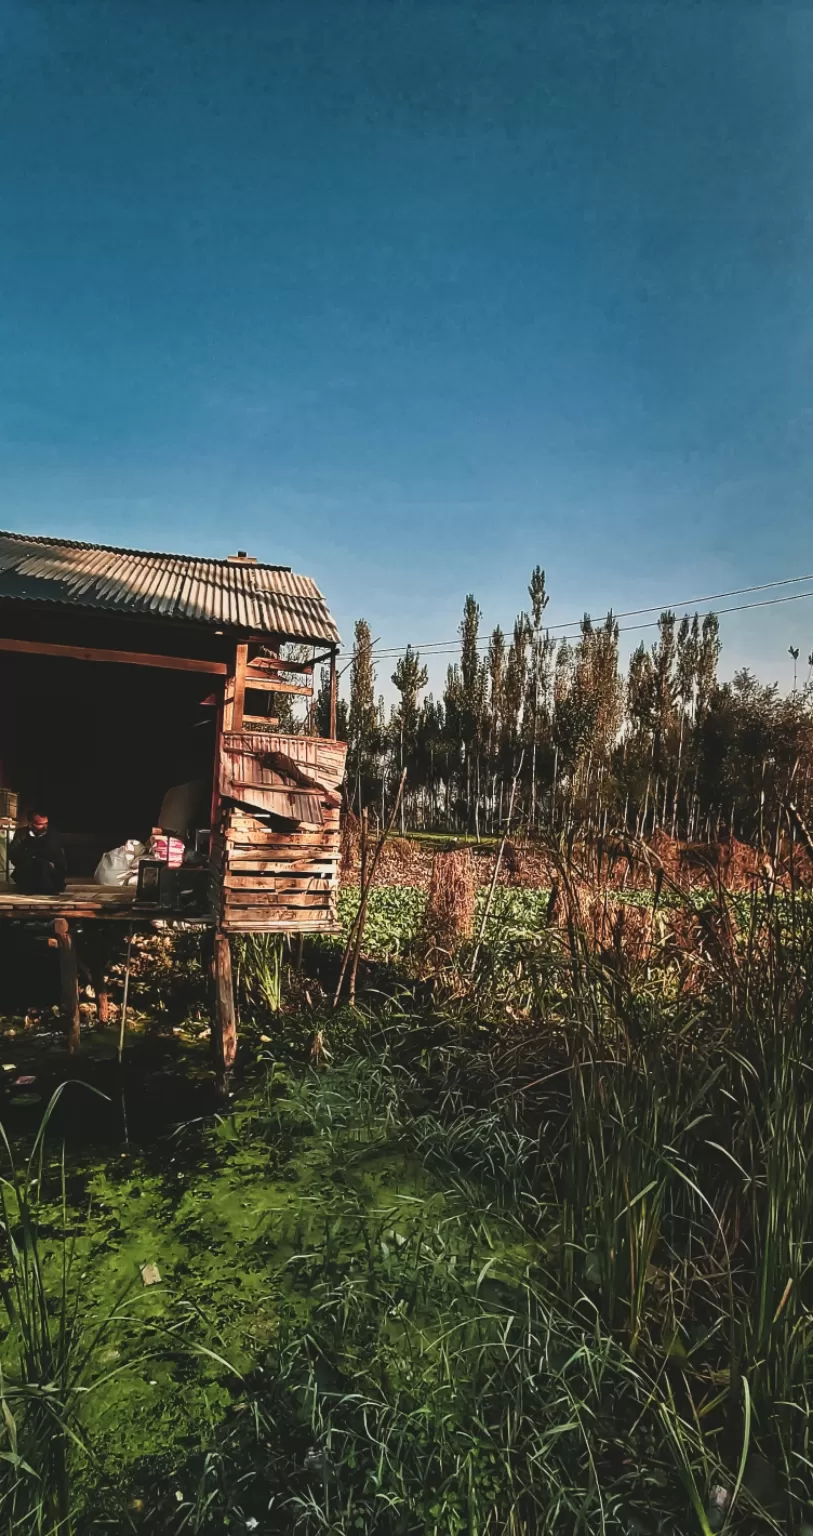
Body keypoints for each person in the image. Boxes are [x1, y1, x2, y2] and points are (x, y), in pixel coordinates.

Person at [9, 811, 67, 895]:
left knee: (42, 864)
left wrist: (31, 852)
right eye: (40, 824)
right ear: (30, 824)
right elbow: (14, 852)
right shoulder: (21, 834)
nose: (44, 826)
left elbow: (51, 853)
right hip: (27, 867)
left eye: (46, 823)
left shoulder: (52, 834)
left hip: (49, 871)